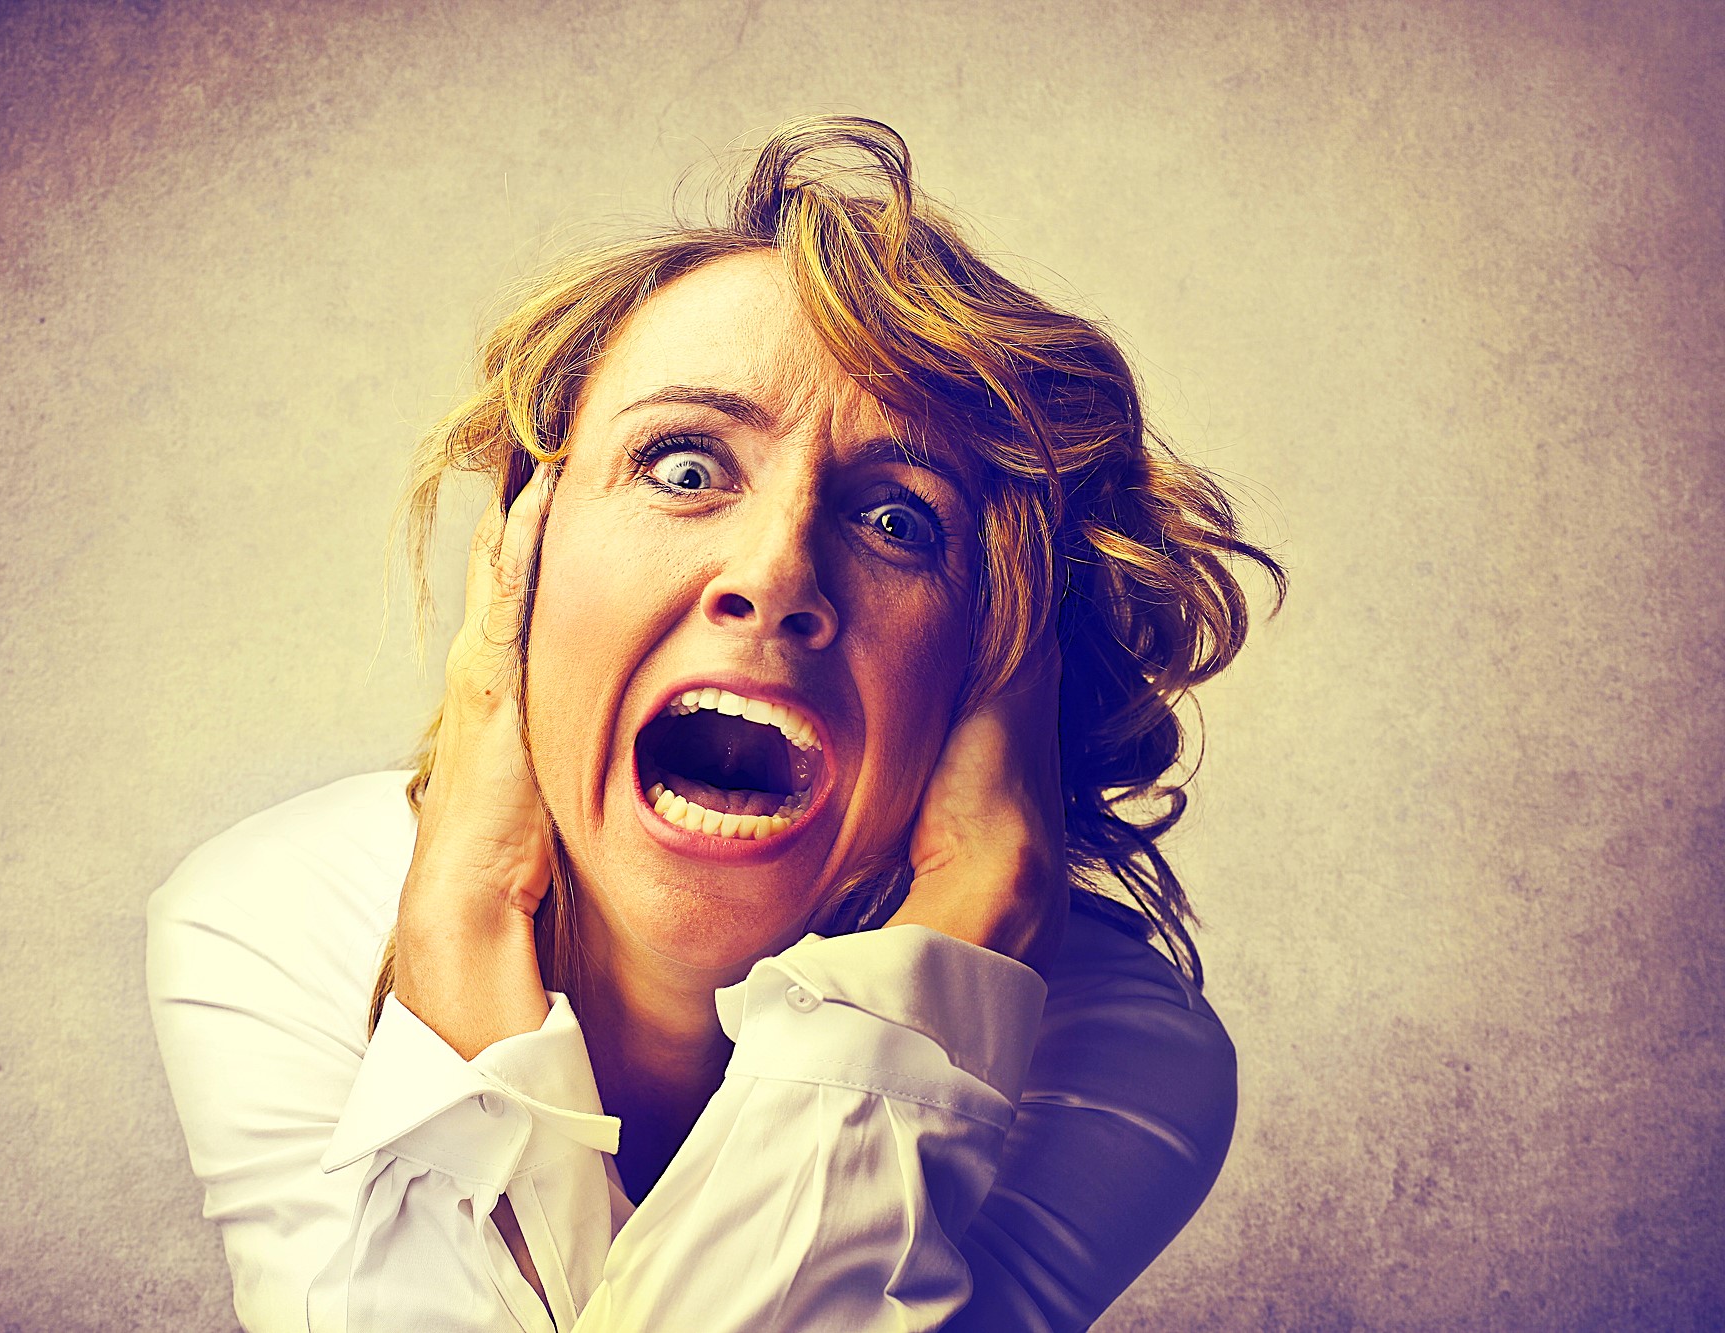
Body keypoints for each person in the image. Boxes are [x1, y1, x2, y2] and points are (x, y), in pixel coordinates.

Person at [147, 116, 1285, 1332]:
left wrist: (963, 928)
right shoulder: (267, 927)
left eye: (900, 521)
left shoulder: (1109, 1058)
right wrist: (456, 928)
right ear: (519, 563)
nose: (776, 571)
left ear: (998, 666)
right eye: (683, 468)